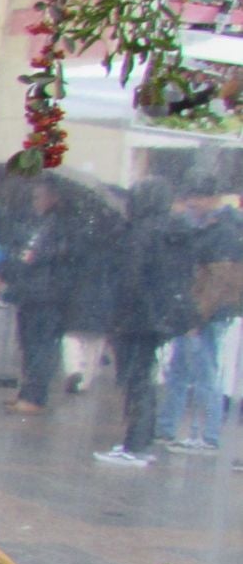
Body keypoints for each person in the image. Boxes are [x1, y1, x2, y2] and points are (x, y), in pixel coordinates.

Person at [95, 177, 196, 467]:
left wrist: (118, 313)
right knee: (145, 377)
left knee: (135, 379)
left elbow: (131, 279)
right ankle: (141, 440)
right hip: (162, 315)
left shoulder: (141, 232)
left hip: (136, 317)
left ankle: (135, 443)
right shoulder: (178, 231)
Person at [157, 171, 243, 453]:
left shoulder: (223, 232)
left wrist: (197, 316)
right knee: (180, 371)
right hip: (194, 312)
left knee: (205, 374)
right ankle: (168, 427)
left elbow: (218, 281)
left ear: (212, 199)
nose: (191, 203)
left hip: (207, 315)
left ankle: (208, 435)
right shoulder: (205, 228)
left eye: (197, 198)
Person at [0, 176, 92, 415]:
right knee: (28, 343)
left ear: (54, 198)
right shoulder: (40, 222)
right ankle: (26, 391)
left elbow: (71, 256)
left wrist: (44, 254)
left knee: (42, 346)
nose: (35, 202)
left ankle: (35, 396)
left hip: (50, 294)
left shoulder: (68, 225)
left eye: (39, 197)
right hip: (30, 291)